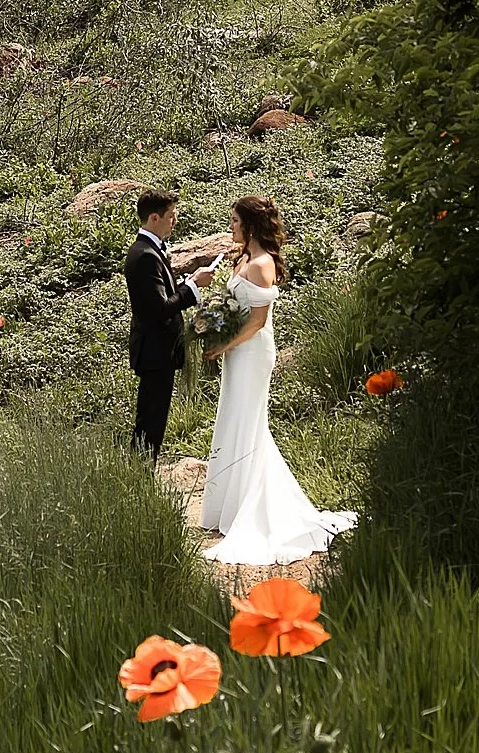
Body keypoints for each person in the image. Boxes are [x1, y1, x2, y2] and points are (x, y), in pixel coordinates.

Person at [198, 193, 357, 567]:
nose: (232, 227)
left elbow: (256, 321)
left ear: (250, 225)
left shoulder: (263, 264)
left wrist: (223, 347)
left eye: (236, 221)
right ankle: (230, 507)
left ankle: (253, 507)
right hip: (238, 352)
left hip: (252, 353)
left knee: (250, 422)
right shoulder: (243, 260)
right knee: (233, 418)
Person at [124, 188, 202, 458]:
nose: (175, 220)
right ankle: (141, 475)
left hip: (156, 351)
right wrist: (191, 288)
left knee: (152, 417)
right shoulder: (145, 255)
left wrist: (183, 286)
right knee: (150, 422)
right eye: (171, 215)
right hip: (155, 351)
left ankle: (142, 472)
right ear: (154, 218)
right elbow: (160, 308)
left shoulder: (148, 250)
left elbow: (161, 297)